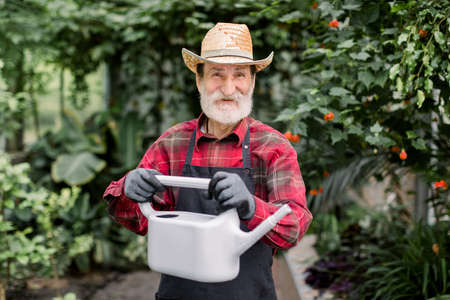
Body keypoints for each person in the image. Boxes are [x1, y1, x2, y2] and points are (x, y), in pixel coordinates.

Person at [103, 22, 312, 300]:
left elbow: (294, 226)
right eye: (216, 74)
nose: (228, 88)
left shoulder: (272, 148)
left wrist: (252, 207)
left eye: (239, 75)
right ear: (199, 80)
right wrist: (128, 190)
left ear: (251, 82)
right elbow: (140, 222)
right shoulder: (172, 143)